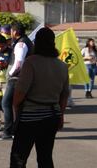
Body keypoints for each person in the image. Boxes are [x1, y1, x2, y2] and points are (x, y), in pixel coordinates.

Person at [10, 27, 69, 168]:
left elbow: (19, 93)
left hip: (29, 117)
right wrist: (61, 116)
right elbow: (64, 95)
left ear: (37, 42)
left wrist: (15, 109)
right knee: (45, 157)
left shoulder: (31, 62)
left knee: (19, 158)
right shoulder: (62, 65)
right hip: (51, 117)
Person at [0, 22, 33, 140]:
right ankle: (16, 130)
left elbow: (19, 63)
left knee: (5, 103)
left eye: (11, 31)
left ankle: (7, 132)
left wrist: (10, 74)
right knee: (15, 105)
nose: (10, 33)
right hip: (23, 78)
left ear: (15, 32)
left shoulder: (21, 44)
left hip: (16, 79)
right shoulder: (25, 41)